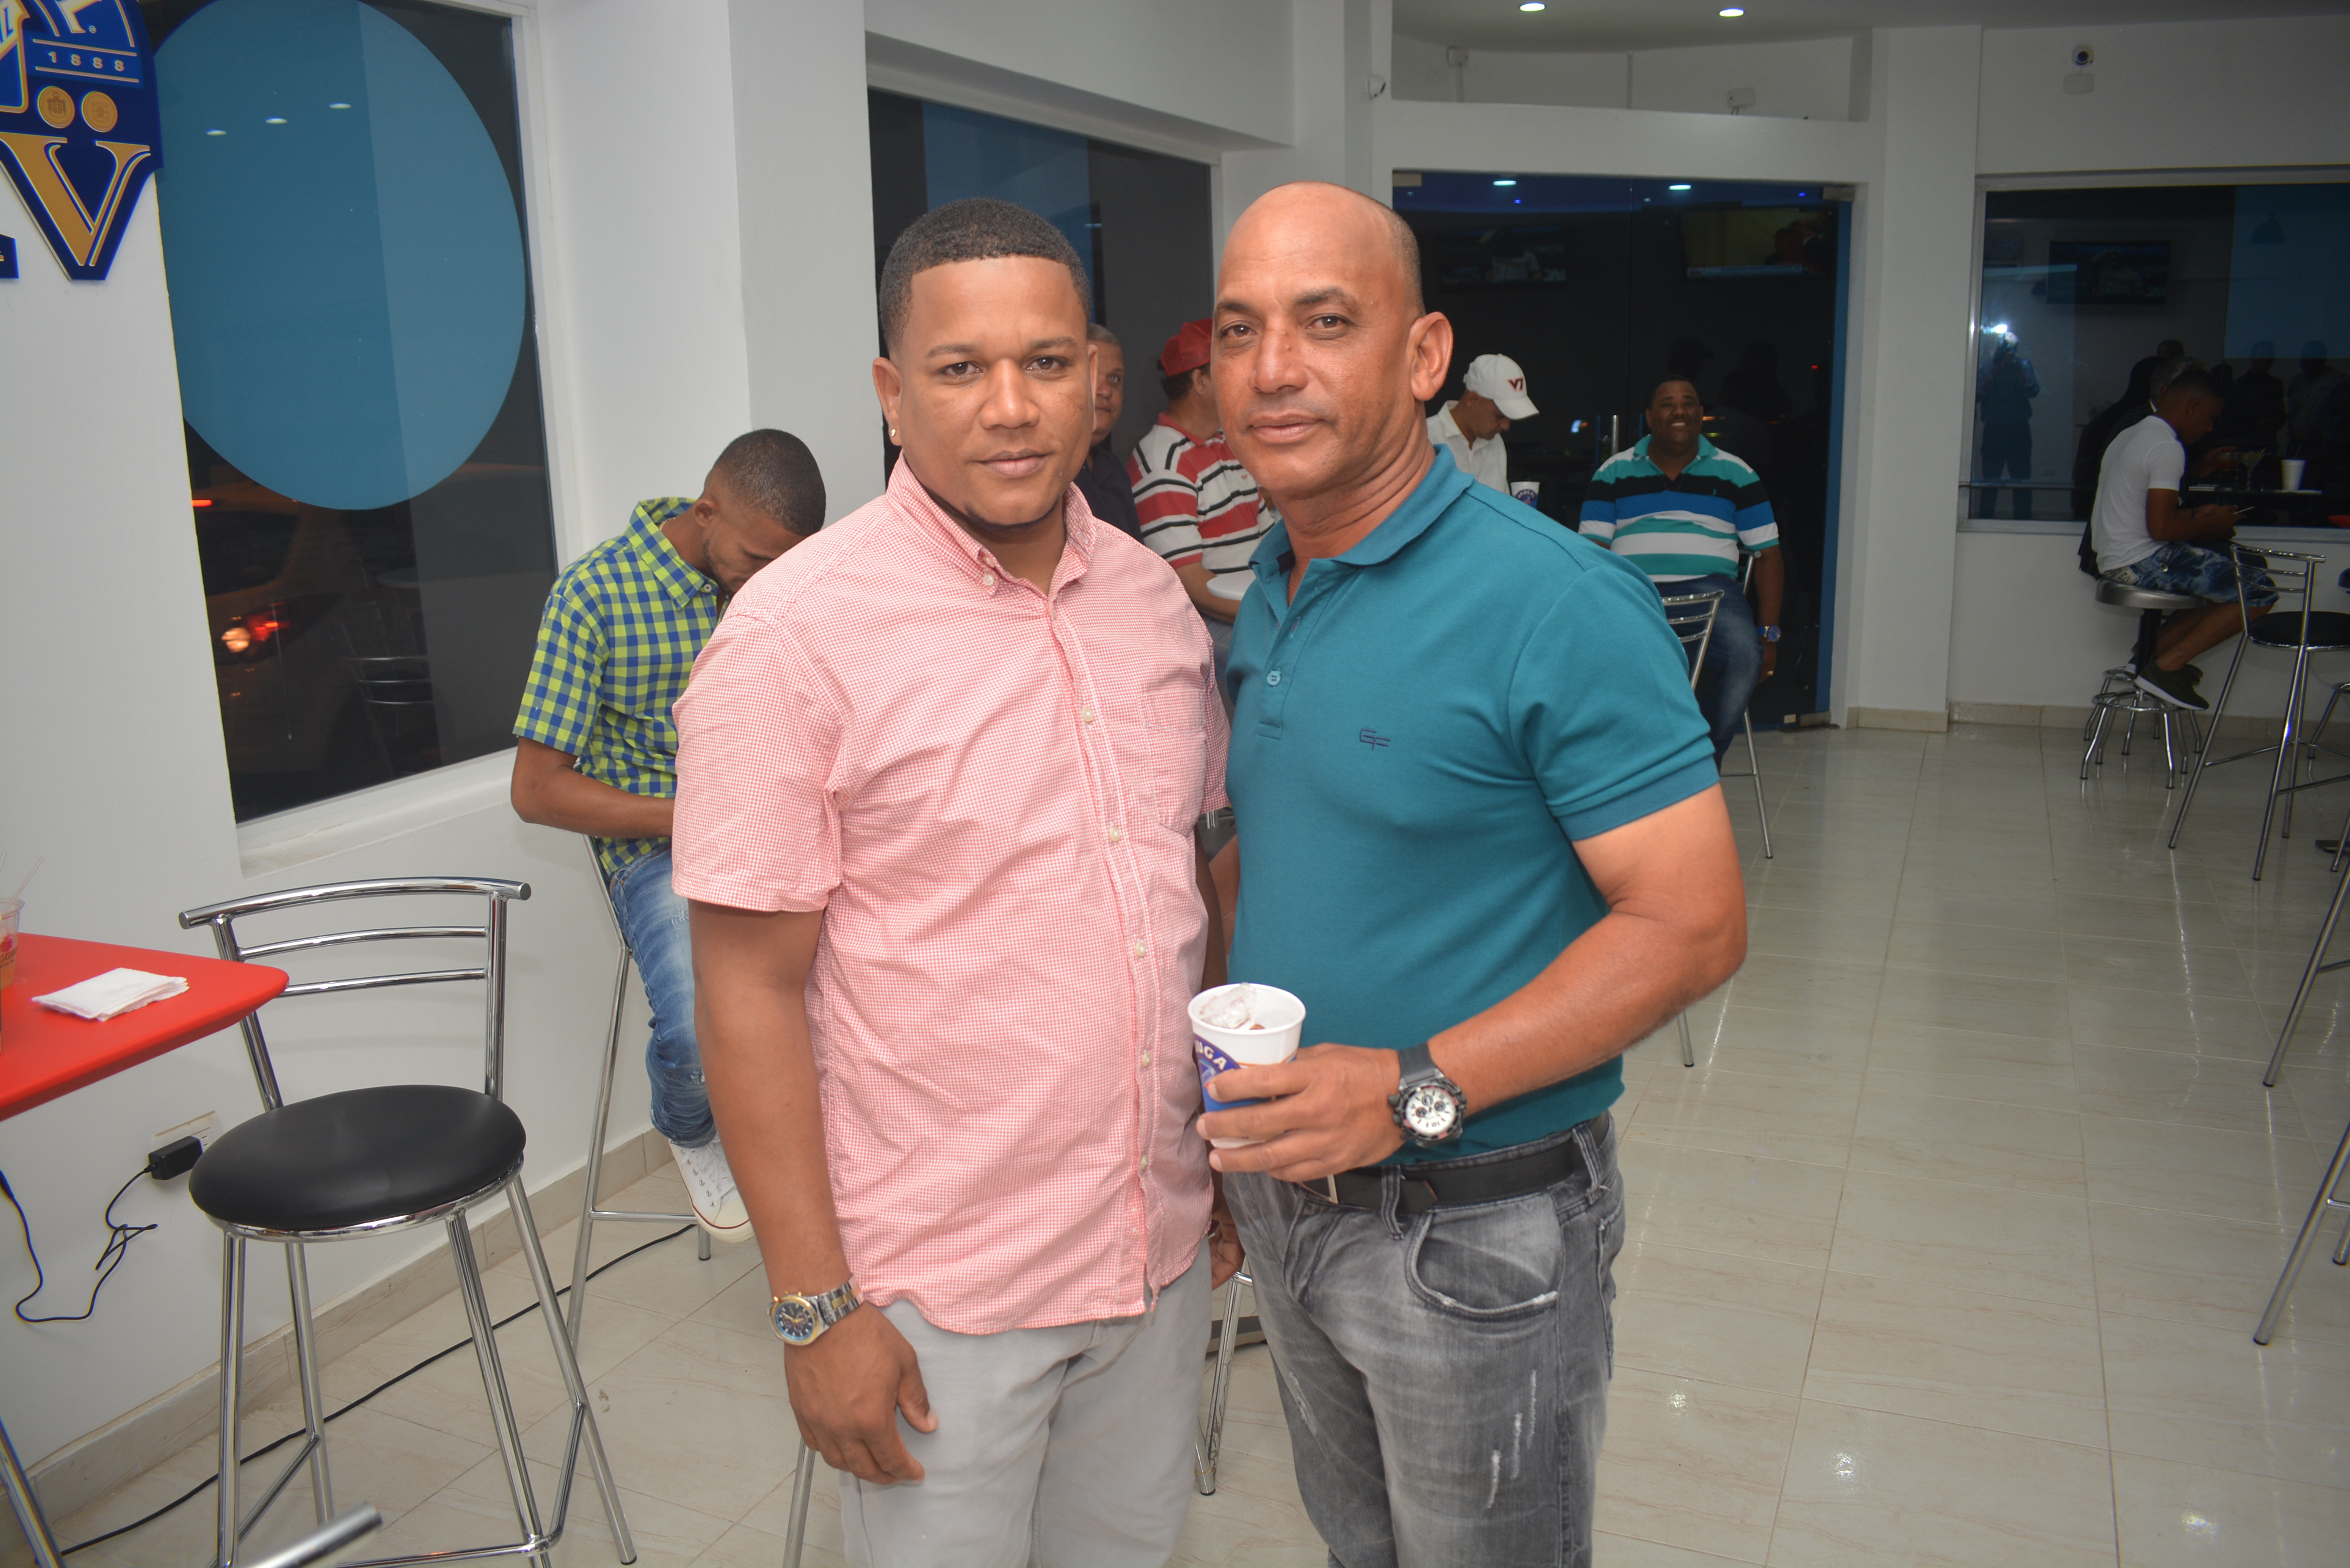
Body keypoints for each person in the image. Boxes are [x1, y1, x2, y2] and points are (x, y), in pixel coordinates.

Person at [670, 197, 1239, 1568]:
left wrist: (1216, 1159)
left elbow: (1184, 889)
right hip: (940, 1293)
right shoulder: (795, 637)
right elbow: (745, 994)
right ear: (890, 392)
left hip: (1151, 1247)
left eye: (1045, 362)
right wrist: (815, 1309)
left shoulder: (1150, 605)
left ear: (1095, 381)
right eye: (959, 367)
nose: (1010, 406)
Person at [1200, 181, 1747, 1567]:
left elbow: (1692, 927)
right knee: (1358, 1547)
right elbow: (1287, 843)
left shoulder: (1555, 600)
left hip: (1474, 1225)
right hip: (1289, 1192)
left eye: (1326, 322)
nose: (1273, 367)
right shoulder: (1276, 582)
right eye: (1241, 328)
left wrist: (1409, 1087)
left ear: (1424, 355)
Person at [510, 431, 824, 1242]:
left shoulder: (775, 580)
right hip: (661, 849)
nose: (768, 579)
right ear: (706, 512)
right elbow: (536, 791)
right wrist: (694, 816)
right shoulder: (593, 595)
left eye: (785, 564)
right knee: (693, 1033)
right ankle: (692, 1131)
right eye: (756, 559)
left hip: (781, 831)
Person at [1580, 378, 1787, 762]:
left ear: (1701, 414)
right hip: (1635, 593)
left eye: (1689, 403)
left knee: (1745, 656)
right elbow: (1592, 554)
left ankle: (1698, 762)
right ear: (1649, 417)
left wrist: (1769, 635)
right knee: (1596, 662)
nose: (1679, 411)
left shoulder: (1736, 472)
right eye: (1668, 404)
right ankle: (1637, 764)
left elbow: (1769, 556)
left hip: (1714, 595)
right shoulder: (1613, 472)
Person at [2092, 366, 2273, 711]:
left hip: (2115, 558)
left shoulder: (2132, 434)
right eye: (2210, 417)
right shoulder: (2166, 446)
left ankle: (2146, 658)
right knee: (2258, 590)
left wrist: (2199, 519)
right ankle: (2165, 670)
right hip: (2143, 562)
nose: (2210, 428)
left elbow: (2143, 512)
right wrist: (2212, 523)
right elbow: (2161, 529)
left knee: (2222, 587)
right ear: (2193, 406)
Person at [1130, 317, 1277, 678]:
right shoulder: (1164, 461)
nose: (1245, 379)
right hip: (1209, 622)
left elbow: (1270, 541)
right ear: (1199, 380)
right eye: (1229, 367)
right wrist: (1276, 613)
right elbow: (1191, 585)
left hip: (1253, 606)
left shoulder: (1226, 443)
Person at [1425, 352, 1537, 493]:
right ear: (1473, 399)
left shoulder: (1496, 443)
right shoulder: (1426, 439)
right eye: (1499, 416)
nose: (1507, 426)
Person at [1074, 321, 1142, 540]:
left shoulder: (1114, 470)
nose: (1105, 390)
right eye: (1092, 375)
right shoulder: (1049, 472)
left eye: (1114, 379)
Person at [1975, 334, 2041, 520]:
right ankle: (1985, 521)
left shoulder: (2023, 365)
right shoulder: (1988, 367)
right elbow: (1977, 394)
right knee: (1990, 481)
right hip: (1994, 430)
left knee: (2021, 480)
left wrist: (2018, 370)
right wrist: (1995, 373)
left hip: (2018, 430)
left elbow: (2033, 390)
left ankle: (2023, 521)